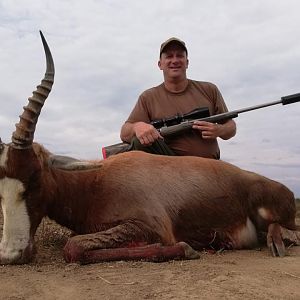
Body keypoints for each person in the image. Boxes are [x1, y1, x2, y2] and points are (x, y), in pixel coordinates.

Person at [120, 37, 236, 159]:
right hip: (171, 170)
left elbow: (230, 126)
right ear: (160, 64)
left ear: (187, 62)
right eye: (169, 56)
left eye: (180, 56)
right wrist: (137, 127)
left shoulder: (209, 89)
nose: (175, 60)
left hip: (209, 167)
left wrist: (220, 130)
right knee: (139, 141)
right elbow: (124, 132)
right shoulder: (148, 97)